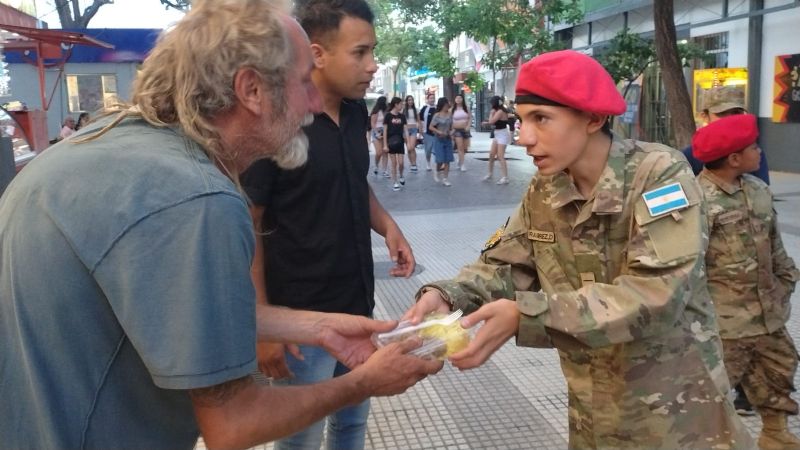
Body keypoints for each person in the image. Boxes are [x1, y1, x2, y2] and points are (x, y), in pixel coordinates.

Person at [0, 2, 441, 450]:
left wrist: (317, 326)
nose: (312, 103)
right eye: (304, 81)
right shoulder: (199, 198)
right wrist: (363, 383)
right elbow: (232, 425)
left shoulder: (93, 150)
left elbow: (175, 310)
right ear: (251, 89)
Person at [405, 49, 754, 449]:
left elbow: (657, 295)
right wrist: (447, 296)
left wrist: (526, 316)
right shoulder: (546, 187)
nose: (525, 136)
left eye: (541, 118)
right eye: (522, 120)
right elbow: (506, 264)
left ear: (593, 118)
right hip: (592, 409)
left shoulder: (657, 174)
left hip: (678, 415)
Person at [241, 2, 418, 449]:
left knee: (352, 424)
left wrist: (388, 225)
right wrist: (263, 328)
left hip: (357, 306)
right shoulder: (278, 122)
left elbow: (353, 181)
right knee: (300, 437)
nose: (372, 66)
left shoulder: (356, 112)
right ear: (317, 54)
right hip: (301, 321)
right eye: (360, 53)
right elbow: (248, 224)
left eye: (372, 52)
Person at [692, 114, 800, 450]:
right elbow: (686, 266)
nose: (760, 152)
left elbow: (775, 244)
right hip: (724, 323)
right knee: (712, 393)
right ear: (734, 158)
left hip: (767, 314)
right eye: (754, 147)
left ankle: (775, 432)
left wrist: (786, 281)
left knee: (778, 370)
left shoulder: (757, 189)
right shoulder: (696, 199)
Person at [682, 86, 770, 184]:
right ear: (705, 116)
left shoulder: (752, 153)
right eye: (722, 113)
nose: (731, 119)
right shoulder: (690, 155)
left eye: (736, 113)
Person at [481, 96, 510, 185]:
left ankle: (505, 177)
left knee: (500, 156)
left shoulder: (500, 111)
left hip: (503, 134)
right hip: (497, 134)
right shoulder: (500, 110)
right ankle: (490, 173)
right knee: (491, 154)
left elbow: (491, 122)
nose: (491, 106)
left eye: (492, 104)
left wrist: (491, 113)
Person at [429, 96, 454, 187]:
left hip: (447, 138)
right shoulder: (437, 115)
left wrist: (451, 132)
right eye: (446, 104)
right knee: (440, 159)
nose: (447, 106)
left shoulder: (450, 114)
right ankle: (437, 171)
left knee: (447, 160)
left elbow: (453, 126)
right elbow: (431, 127)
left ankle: (445, 178)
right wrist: (439, 131)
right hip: (439, 139)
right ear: (442, 105)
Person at [384, 96, 407, 191]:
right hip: (391, 141)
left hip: (400, 141)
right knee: (394, 163)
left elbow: (405, 130)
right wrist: (385, 145)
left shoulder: (402, 116)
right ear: (396, 105)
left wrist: (408, 141)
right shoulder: (388, 116)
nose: (402, 106)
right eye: (401, 104)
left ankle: (401, 175)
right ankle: (395, 182)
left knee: (401, 163)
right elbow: (385, 130)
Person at [452, 93, 472, 172]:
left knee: (465, 148)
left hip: (465, 129)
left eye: (460, 98)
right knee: (460, 148)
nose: (458, 99)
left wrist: (468, 126)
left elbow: (470, 118)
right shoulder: (452, 109)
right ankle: (462, 164)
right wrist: (452, 129)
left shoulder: (466, 108)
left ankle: (459, 160)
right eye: (457, 98)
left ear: (462, 99)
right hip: (457, 130)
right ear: (455, 100)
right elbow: (450, 120)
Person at [370, 95, 388, 177]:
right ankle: (376, 165)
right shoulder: (376, 111)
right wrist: (377, 133)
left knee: (385, 151)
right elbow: (373, 123)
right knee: (379, 152)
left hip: (385, 131)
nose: (387, 103)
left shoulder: (386, 111)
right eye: (386, 101)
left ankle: (385, 170)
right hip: (376, 131)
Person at [419, 92, 437, 171]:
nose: (432, 99)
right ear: (427, 99)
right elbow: (420, 120)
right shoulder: (424, 109)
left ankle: (437, 163)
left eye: (433, 98)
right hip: (427, 132)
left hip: (437, 132)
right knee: (428, 149)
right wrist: (421, 130)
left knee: (437, 149)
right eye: (430, 98)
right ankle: (428, 163)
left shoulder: (437, 108)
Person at [403, 94, 420, 172]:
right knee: (408, 149)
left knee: (411, 147)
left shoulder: (416, 110)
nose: (410, 101)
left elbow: (418, 121)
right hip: (406, 130)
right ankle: (412, 164)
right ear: (406, 101)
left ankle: (414, 164)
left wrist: (419, 130)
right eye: (409, 100)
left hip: (413, 129)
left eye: (411, 100)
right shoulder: (403, 110)